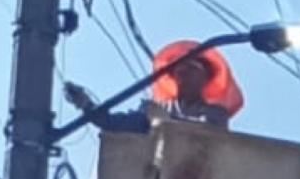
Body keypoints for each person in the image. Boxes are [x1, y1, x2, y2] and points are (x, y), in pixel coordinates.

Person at [63, 40, 245, 134]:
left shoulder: (215, 114)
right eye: (179, 70)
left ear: (204, 78)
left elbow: (206, 136)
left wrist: (162, 122)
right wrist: (85, 104)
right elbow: (112, 123)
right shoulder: (154, 109)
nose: (184, 75)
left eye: (192, 69)